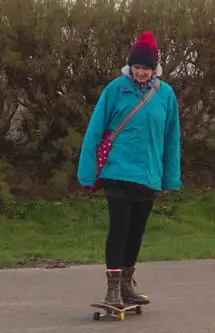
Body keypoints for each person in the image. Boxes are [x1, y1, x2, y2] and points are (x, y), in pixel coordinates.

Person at [77, 31, 182, 309]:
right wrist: (87, 174)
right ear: (129, 66)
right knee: (119, 229)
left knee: (136, 232)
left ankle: (126, 283)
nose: (140, 73)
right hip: (118, 173)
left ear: (154, 68)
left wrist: (170, 178)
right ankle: (112, 289)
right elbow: (94, 131)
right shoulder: (115, 89)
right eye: (136, 67)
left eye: (145, 68)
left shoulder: (165, 95)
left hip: (148, 176)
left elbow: (171, 139)